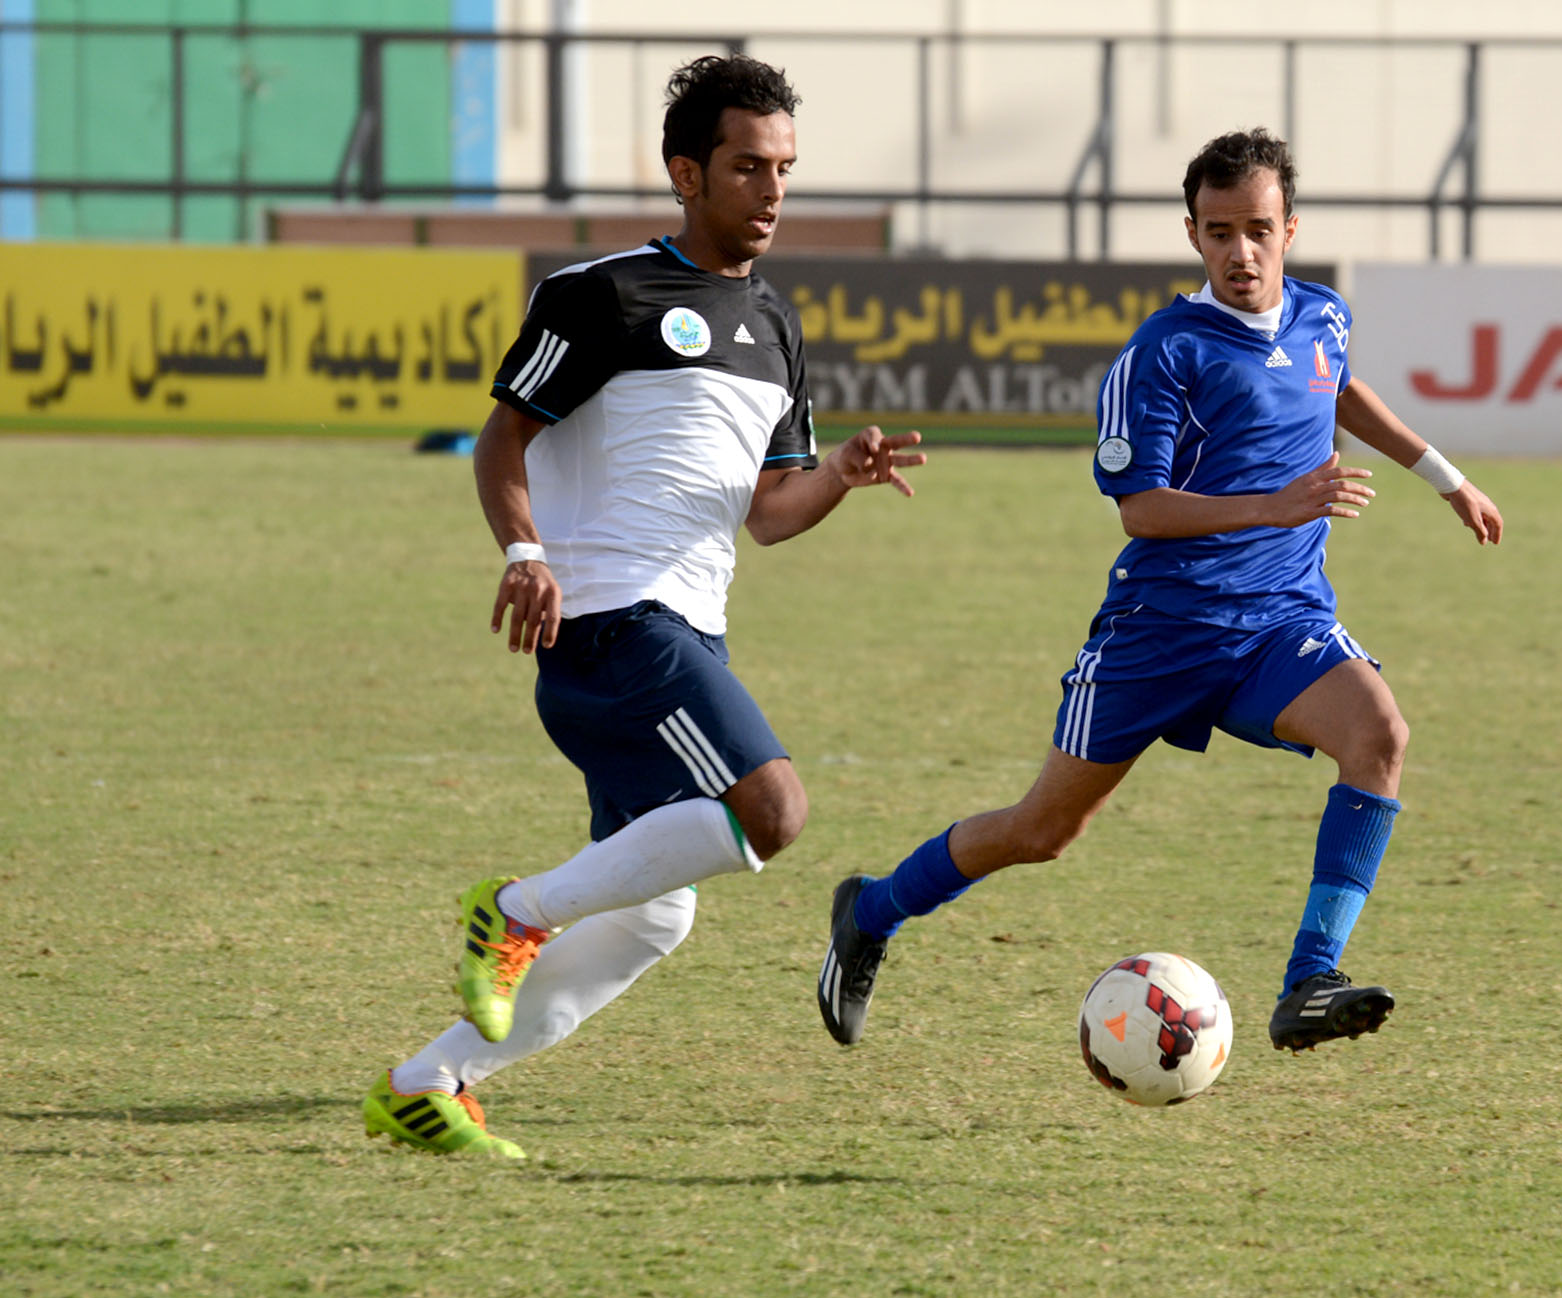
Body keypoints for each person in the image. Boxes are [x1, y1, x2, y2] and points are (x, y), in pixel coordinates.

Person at [817, 128, 1501, 1057]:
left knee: (1379, 734)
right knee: (1041, 830)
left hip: (1280, 623)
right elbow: (1140, 510)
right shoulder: (1163, 353)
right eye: (1219, 232)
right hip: (1161, 633)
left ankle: (1310, 979)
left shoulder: (1323, 316)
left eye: (1258, 229)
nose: (1240, 252)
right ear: (1193, 234)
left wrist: (1446, 478)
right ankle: (871, 910)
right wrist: (1273, 505)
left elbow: (1339, 388)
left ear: (1291, 228)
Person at [363, 54, 923, 1159]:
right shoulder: (601, 295)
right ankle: (515, 911)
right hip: (611, 624)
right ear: (686, 172)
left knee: (657, 912)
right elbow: (502, 437)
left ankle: (429, 1080)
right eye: (746, 166)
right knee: (772, 810)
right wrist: (525, 551)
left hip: (688, 631)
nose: (770, 190)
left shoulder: (775, 324)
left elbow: (769, 513)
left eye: (784, 168)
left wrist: (836, 476)